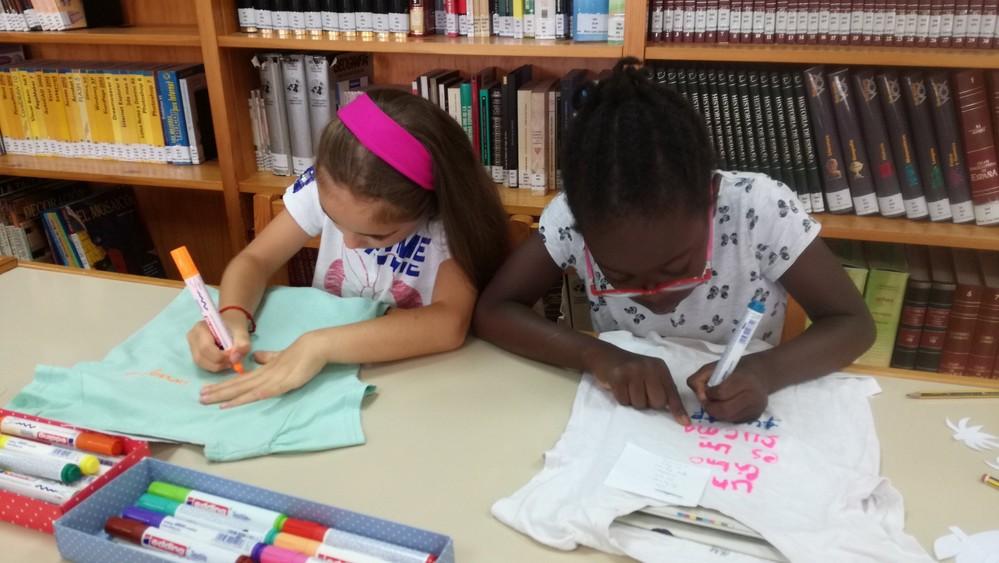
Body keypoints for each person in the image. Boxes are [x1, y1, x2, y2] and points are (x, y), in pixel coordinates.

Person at [473, 59, 876, 423]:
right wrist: (596, 354)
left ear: (709, 202)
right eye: (619, 275)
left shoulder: (758, 208)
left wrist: (765, 372)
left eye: (675, 267)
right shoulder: (573, 217)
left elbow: (853, 324)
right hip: (627, 422)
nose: (653, 293)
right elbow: (493, 310)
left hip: (739, 418)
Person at [190, 88, 509, 408]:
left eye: (376, 236)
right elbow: (255, 260)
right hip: (333, 376)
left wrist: (319, 346)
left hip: (420, 384)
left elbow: (447, 324)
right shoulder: (324, 186)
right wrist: (231, 315)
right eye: (332, 220)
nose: (349, 243)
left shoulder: (446, 222)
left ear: (428, 207)